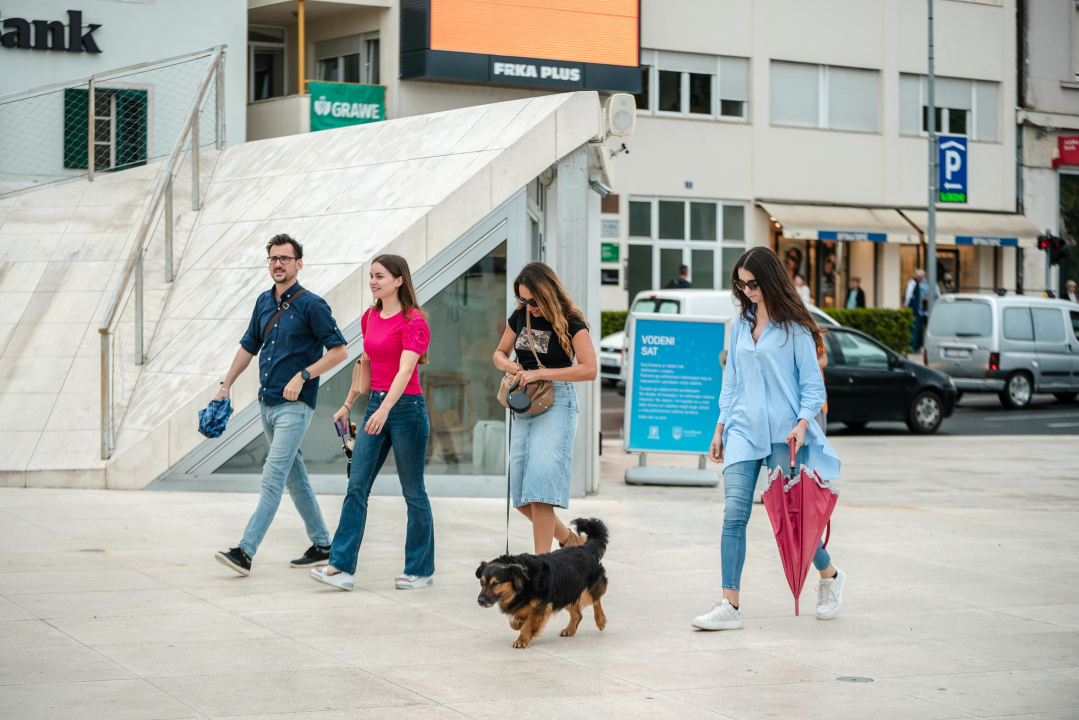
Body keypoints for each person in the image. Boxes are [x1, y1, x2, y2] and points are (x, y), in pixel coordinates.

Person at [692, 247, 845, 631]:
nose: (746, 291)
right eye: (741, 284)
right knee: (734, 515)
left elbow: (812, 387)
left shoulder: (796, 329)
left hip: (783, 434)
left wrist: (803, 424)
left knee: (791, 522)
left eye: (753, 284)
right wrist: (720, 427)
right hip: (743, 430)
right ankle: (730, 604)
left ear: (771, 280)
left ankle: (830, 575)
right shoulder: (740, 325)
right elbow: (731, 381)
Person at [215, 234, 348, 576]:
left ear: (298, 264)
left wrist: (304, 375)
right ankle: (323, 545)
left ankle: (245, 551)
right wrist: (225, 386)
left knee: (272, 476)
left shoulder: (312, 305)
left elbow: (339, 352)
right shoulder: (263, 301)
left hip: (295, 406)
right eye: (273, 258)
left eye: (285, 258)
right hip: (267, 405)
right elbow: (248, 346)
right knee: (293, 476)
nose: (278, 264)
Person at [309, 255, 435, 591]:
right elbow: (365, 363)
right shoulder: (370, 317)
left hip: (407, 409)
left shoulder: (414, 322)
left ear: (399, 280)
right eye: (371, 276)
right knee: (357, 486)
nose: (373, 282)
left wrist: (385, 409)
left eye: (380, 276)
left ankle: (420, 570)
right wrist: (348, 404)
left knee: (414, 492)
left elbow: (405, 370)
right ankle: (341, 567)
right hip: (377, 405)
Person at [492, 262, 598, 554]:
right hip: (526, 402)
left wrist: (541, 373)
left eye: (534, 301)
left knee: (540, 492)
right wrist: (512, 366)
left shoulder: (572, 321)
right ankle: (572, 541)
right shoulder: (521, 315)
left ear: (548, 292)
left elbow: (589, 369)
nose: (529, 306)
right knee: (522, 497)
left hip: (558, 401)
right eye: (523, 300)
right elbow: (499, 353)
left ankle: (543, 566)